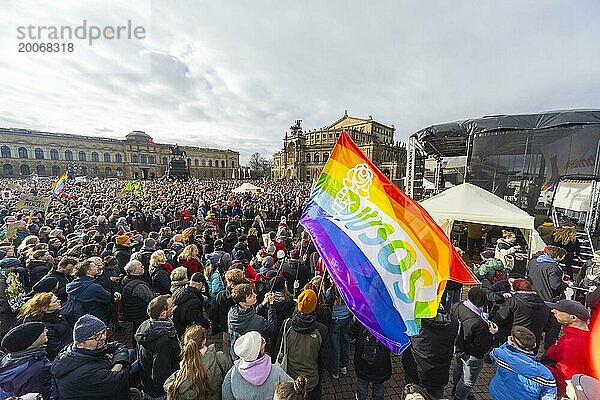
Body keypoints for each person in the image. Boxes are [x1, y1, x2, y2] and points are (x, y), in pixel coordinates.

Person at [51, 314, 132, 400]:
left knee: (131, 352)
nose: (103, 337)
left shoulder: (74, 349)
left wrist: (115, 366)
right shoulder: (85, 374)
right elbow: (122, 380)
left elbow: (117, 345)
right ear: (80, 344)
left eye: (104, 332)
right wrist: (119, 363)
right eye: (96, 336)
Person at [277, 289, 330, 400]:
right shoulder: (322, 330)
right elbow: (324, 358)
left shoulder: (287, 324)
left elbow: (278, 348)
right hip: (311, 381)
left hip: (290, 379)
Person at [401, 304, 457, 399]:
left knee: (414, 394)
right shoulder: (454, 323)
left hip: (416, 370)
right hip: (440, 373)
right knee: (436, 396)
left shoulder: (416, 323)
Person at [451, 287, 497, 400]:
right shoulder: (479, 323)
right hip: (472, 355)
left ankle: (455, 388)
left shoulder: (458, 305)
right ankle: (459, 396)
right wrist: (491, 333)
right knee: (468, 381)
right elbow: (483, 347)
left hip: (458, 347)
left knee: (459, 367)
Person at [164, 324, 232, 400]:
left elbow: (169, 387)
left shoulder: (180, 375)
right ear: (204, 341)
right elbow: (230, 385)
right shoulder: (220, 359)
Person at [489, 325, 557, 400]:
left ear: (511, 341)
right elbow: (549, 395)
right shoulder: (546, 375)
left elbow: (493, 354)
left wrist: (507, 344)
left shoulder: (501, 355)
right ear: (534, 345)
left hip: (498, 394)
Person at [541, 299, 592, 397]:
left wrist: (538, 368)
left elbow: (566, 377)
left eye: (558, 310)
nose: (553, 311)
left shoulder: (569, 343)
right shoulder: (589, 336)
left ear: (573, 318)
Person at [222, 331, 292, 400]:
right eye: (262, 343)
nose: (264, 342)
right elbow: (293, 390)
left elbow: (226, 396)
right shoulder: (276, 371)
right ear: (261, 350)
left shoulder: (233, 373)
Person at [135, 295, 181, 400]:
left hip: (147, 385)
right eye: (171, 306)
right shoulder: (163, 341)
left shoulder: (146, 325)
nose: (173, 307)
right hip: (159, 392)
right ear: (163, 313)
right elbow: (161, 375)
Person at [491, 278, 551, 353]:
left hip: (514, 338)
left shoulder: (513, 301)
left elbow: (500, 318)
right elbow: (548, 324)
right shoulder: (543, 303)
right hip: (532, 340)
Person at [527, 245, 568, 348]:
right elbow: (555, 285)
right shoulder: (553, 267)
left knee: (536, 323)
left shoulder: (533, 261)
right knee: (553, 325)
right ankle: (549, 347)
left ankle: (532, 345)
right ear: (557, 256)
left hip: (535, 296)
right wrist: (566, 284)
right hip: (549, 299)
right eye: (562, 256)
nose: (563, 259)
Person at [0, 322, 54, 400]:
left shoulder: (7, 359)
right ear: (31, 341)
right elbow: (42, 396)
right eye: (41, 332)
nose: (46, 331)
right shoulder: (40, 369)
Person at [227, 283, 277, 361]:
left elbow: (250, 316)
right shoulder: (258, 322)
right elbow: (272, 327)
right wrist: (271, 305)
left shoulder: (232, 312)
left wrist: (263, 303)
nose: (255, 295)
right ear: (242, 303)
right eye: (250, 296)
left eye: (253, 292)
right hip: (252, 356)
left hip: (237, 352)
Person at [21, 292, 72, 360]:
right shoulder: (44, 326)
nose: (59, 301)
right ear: (45, 308)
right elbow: (55, 349)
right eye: (55, 302)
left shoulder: (56, 314)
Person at [350, 318, 391, 400]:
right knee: (378, 386)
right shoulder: (390, 316)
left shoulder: (361, 312)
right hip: (381, 361)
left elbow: (352, 331)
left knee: (362, 384)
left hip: (362, 359)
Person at [210, 269, 246, 359]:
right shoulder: (247, 294)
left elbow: (213, 313)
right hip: (243, 329)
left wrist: (218, 324)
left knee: (227, 353)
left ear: (230, 282)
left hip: (227, 329)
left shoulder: (221, 296)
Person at [65, 259, 115, 323]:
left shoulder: (72, 284)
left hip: (79, 316)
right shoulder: (94, 287)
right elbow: (108, 298)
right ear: (88, 272)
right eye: (94, 266)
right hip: (94, 316)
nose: (97, 267)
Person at [121, 260, 157, 341]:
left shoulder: (126, 279)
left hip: (132, 311)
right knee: (141, 331)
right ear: (134, 271)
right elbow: (151, 298)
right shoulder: (139, 286)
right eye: (140, 266)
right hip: (140, 313)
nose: (143, 267)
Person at [172, 272, 211, 337]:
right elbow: (197, 320)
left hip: (178, 326)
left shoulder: (180, 290)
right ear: (200, 284)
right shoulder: (194, 301)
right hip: (186, 331)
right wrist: (207, 323)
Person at [325, 284, 352, 379]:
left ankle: (335, 370)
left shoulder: (330, 291)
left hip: (335, 320)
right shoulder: (348, 289)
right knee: (345, 341)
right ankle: (343, 365)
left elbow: (326, 302)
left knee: (335, 345)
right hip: (346, 317)